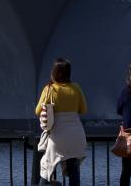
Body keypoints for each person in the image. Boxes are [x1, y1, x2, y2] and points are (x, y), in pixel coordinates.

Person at [35, 58, 87, 186]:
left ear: (54, 72)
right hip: (76, 136)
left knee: (47, 169)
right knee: (73, 169)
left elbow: (37, 111)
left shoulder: (50, 89)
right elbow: (83, 109)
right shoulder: (76, 88)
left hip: (57, 137)